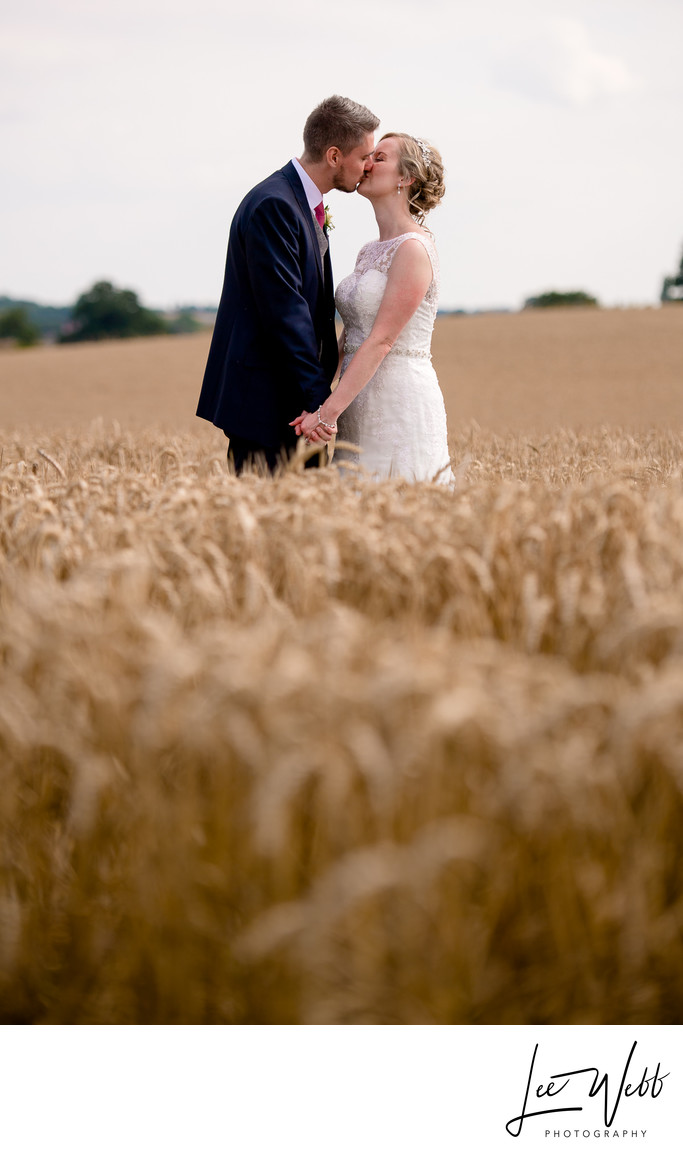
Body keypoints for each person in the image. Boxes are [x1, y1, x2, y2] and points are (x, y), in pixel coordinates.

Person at [196, 95, 380, 474]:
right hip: (270, 405)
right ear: (333, 156)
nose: (367, 167)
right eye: (364, 156)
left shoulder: (296, 200)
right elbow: (285, 313)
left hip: (287, 401)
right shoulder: (275, 205)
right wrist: (318, 402)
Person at [291, 132, 453, 484]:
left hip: (398, 401)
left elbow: (381, 339)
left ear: (405, 178)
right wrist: (319, 396)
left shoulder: (413, 249)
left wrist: (326, 414)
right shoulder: (369, 251)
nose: (367, 164)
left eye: (379, 158)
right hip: (356, 400)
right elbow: (352, 333)